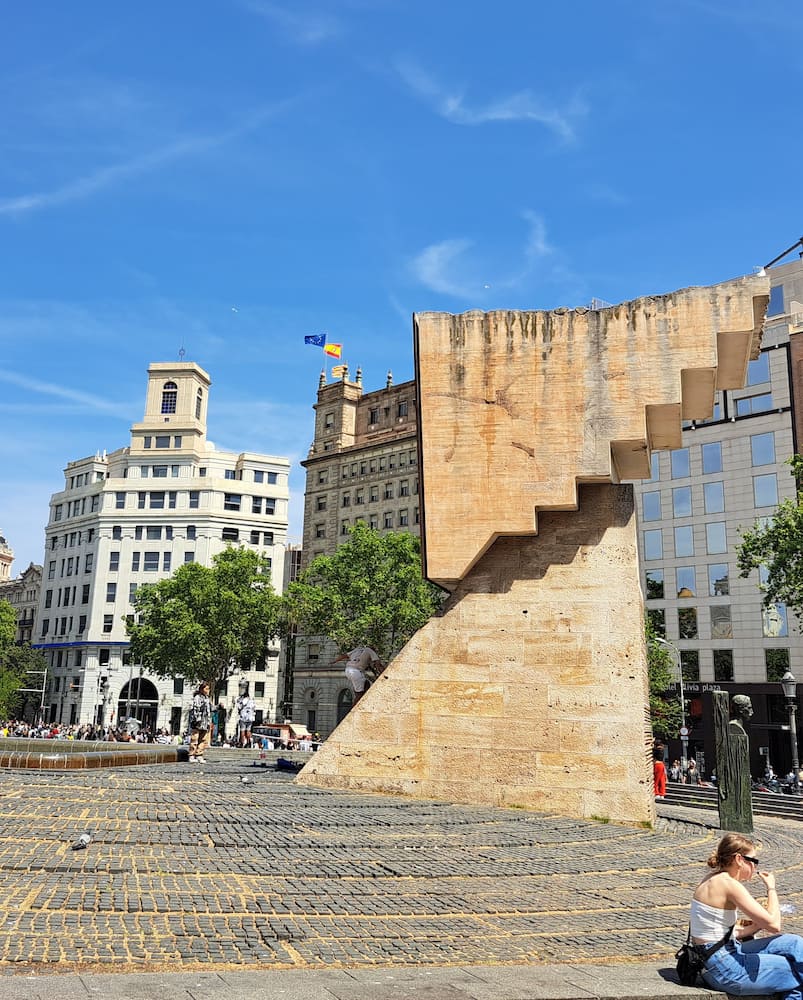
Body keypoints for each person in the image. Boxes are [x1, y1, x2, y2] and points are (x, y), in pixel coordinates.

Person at [689, 832, 803, 998]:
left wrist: (756, 925)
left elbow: (719, 933)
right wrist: (771, 888)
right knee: (795, 971)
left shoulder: (711, 878)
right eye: (753, 861)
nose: (755, 867)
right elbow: (774, 925)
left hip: (715, 957)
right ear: (739, 860)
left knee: (794, 942)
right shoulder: (730, 885)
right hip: (724, 968)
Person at [189, 681, 212, 763]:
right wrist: (197, 719)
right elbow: (196, 709)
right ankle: (192, 755)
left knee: (203, 739)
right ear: (202, 689)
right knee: (195, 738)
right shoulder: (197, 697)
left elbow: (210, 709)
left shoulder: (207, 698)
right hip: (198, 721)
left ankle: (199, 754)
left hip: (205, 722)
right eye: (207, 689)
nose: (208, 690)